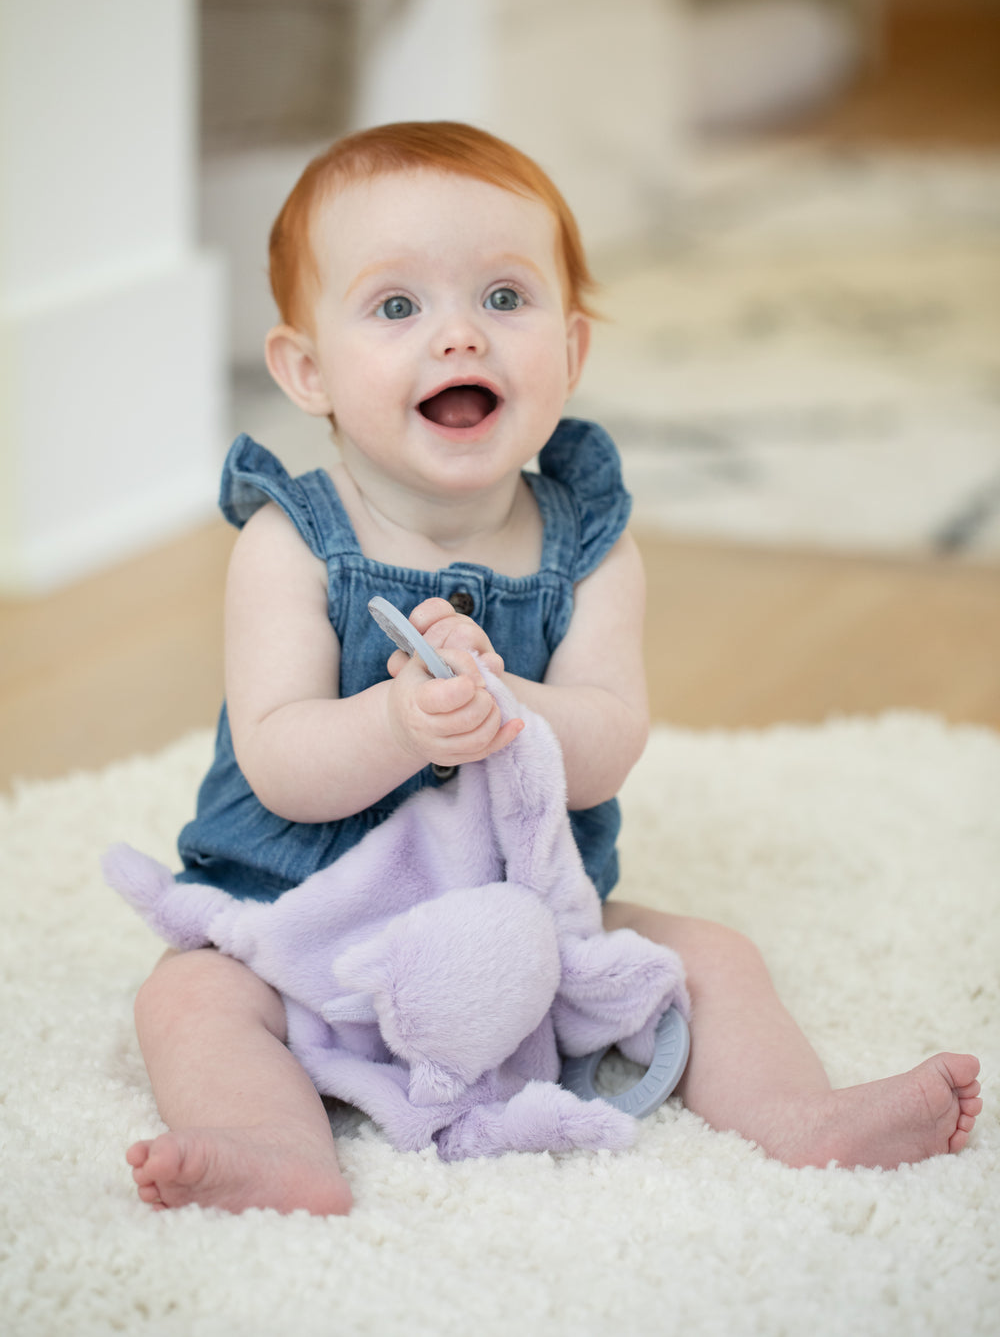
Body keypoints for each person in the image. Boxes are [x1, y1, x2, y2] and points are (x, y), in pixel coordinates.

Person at [126, 122, 982, 1216]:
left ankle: (799, 1118)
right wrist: (397, 726)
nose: (458, 340)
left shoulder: (589, 544)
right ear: (305, 370)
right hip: (307, 932)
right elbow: (282, 759)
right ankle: (270, 1144)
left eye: (503, 299)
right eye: (397, 307)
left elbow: (607, 740)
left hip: (525, 938)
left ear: (571, 352)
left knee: (710, 954)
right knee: (188, 996)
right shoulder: (288, 541)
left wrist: (510, 706)